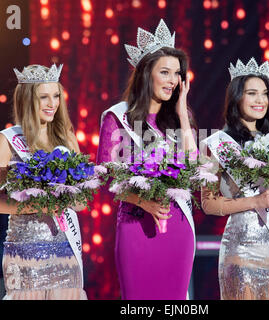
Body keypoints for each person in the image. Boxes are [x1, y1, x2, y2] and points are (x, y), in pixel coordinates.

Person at [97, 19, 197, 299]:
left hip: (177, 226)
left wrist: (181, 113)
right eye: (164, 72)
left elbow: (194, 168)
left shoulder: (179, 119)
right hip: (136, 225)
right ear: (145, 74)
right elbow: (107, 175)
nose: (172, 80)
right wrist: (144, 201)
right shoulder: (119, 117)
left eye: (177, 74)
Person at [201, 58, 269, 300]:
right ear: (237, 97)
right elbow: (209, 203)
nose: (260, 100)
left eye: (264, 93)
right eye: (252, 93)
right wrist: (256, 201)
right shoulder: (216, 144)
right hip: (242, 254)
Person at [0, 64, 87, 300]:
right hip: (25, 251)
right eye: (44, 97)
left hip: (65, 249)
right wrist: (39, 205)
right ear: (27, 100)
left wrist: (69, 198)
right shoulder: (6, 141)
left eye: (56, 96)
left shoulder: (67, 138)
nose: (52, 103)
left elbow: (82, 201)